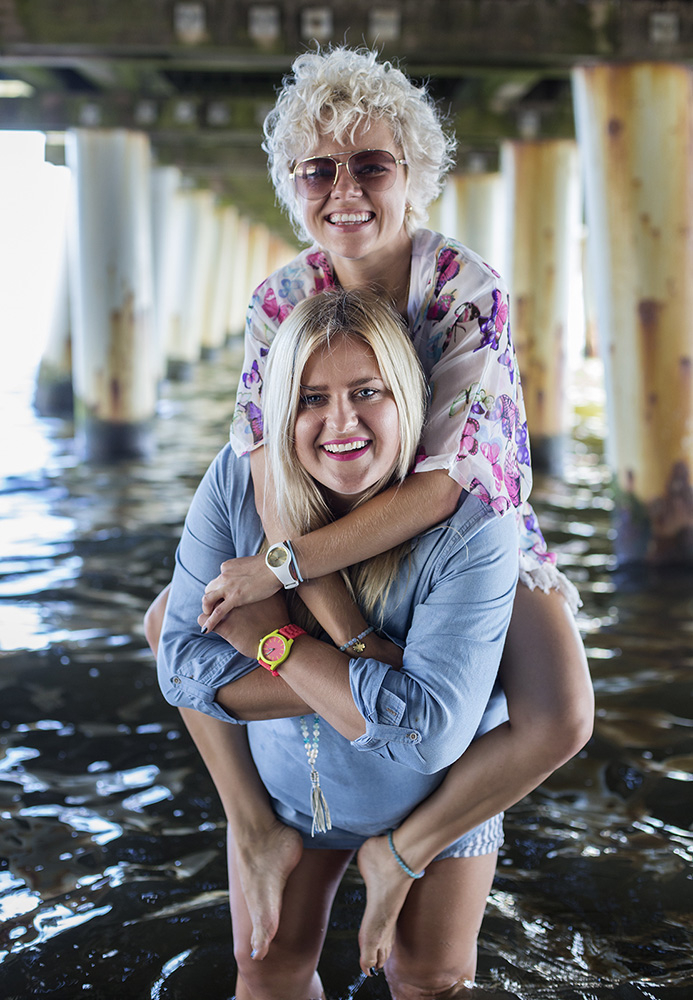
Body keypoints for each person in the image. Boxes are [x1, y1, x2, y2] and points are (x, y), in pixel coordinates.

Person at [146, 45, 593, 979]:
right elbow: (268, 461)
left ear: (414, 176)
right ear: (292, 185)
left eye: (372, 165)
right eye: (319, 169)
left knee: (556, 714)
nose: (343, 189)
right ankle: (251, 821)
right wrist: (339, 629)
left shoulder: (463, 290)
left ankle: (406, 846)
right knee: (170, 625)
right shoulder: (280, 298)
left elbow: (445, 485)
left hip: (461, 517)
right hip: (315, 524)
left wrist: (279, 588)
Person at [158, 287, 520, 1000]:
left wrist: (278, 645)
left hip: (436, 806)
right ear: (278, 410)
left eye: (367, 392)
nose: (340, 422)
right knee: (264, 975)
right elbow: (179, 664)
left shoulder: (475, 521)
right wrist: (366, 682)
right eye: (310, 399)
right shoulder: (236, 480)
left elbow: (428, 740)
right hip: (291, 792)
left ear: (410, 398)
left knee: (430, 978)